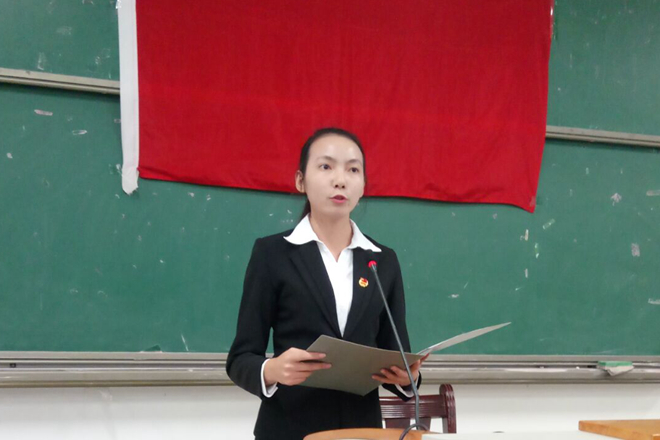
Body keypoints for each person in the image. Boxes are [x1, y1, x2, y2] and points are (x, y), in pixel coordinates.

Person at [226, 127, 428, 440]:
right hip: (289, 430)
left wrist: (406, 378)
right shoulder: (272, 254)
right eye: (326, 166)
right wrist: (273, 370)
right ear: (300, 180)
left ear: (363, 186)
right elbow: (240, 358)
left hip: (361, 432)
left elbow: (396, 354)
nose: (340, 180)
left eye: (353, 170)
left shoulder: (382, 261)